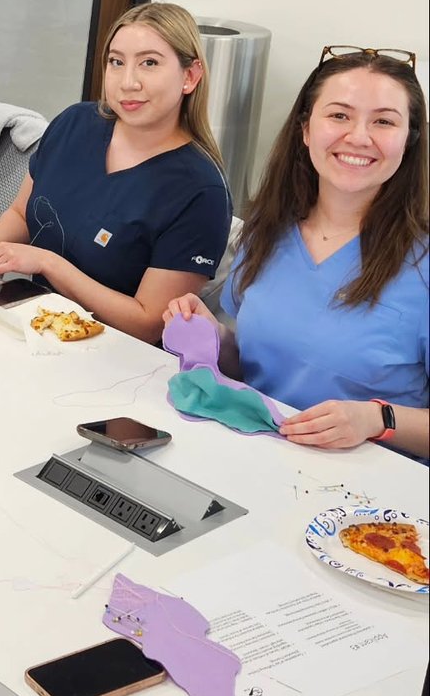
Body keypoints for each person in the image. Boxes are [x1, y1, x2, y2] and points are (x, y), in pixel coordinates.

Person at [164, 48, 429, 459]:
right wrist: (212, 336)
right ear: (306, 129)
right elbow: (255, 366)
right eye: (339, 115)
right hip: (259, 459)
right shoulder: (265, 232)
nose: (359, 136)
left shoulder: (422, 265)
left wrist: (377, 420)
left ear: (409, 141)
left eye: (383, 121)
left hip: (371, 502)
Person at [0, 2, 232, 344]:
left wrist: (49, 264)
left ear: (190, 76)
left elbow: (149, 323)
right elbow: (22, 213)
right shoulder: (74, 123)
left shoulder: (201, 192)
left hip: (111, 357)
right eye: (116, 62)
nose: (128, 82)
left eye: (150, 63)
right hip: (24, 322)